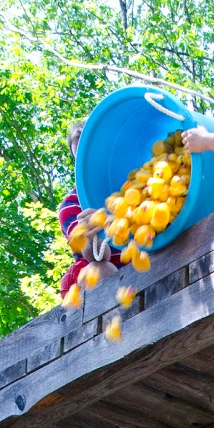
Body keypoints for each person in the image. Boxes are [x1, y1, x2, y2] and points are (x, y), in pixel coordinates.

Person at [59, 117, 119, 300]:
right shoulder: (71, 205)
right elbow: (99, 258)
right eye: (80, 159)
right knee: (100, 269)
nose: (86, 162)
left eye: (90, 153)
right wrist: (91, 234)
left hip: (149, 259)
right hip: (108, 276)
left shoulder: (131, 180)